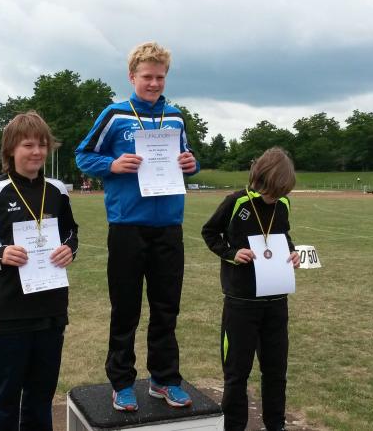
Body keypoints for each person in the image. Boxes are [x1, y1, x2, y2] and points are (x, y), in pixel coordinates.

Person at [75, 41, 199, 412]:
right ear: (132, 77)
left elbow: (187, 158)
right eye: (147, 76)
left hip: (169, 226)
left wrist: (191, 164)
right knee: (125, 309)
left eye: (160, 77)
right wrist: (112, 165)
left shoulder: (175, 117)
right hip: (127, 226)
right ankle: (122, 382)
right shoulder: (115, 115)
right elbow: (84, 155)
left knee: (167, 308)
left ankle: (164, 379)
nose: (154, 83)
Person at [0, 111, 79, 431]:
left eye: (42, 145)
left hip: (50, 310)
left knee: (40, 398)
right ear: (11, 149)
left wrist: (69, 249)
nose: (37, 152)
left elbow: (70, 231)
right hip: (7, 312)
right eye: (28, 145)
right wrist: (0, 253)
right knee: (3, 401)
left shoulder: (57, 190)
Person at [201, 147, 301, 431]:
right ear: (260, 179)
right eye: (272, 192)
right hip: (241, 303)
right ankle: (234, 426)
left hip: (276, 302)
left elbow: (283, 235)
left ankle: (275, 425)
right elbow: (210, 232)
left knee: (276, 372)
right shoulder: (236, 202)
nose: (276, 198)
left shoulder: (283, 204)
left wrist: (292, 253)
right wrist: (232, 253)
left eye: (281, 193)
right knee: (237, 374)